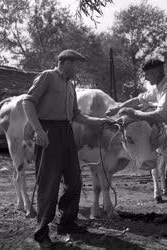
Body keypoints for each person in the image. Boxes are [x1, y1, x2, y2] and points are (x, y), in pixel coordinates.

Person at [22, 49, 111, 248]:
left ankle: (67, 223)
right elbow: (27, 101)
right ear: (64, 63)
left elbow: (77, 115)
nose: (77, 69)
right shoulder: (47, 76)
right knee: (48, 184)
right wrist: (39, 130)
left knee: (74, 180)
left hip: (67, 133)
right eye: (75, 64)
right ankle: (42, 232)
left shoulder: (70, 86)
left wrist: (100, 121)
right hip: (48, 131)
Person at [106, 58, 167, 238]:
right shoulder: (158, 88)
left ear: (155, 72)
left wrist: (136, 114)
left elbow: (161, 114)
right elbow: (138, 99)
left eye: (147, 74)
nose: (145, 78)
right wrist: (119, 108)